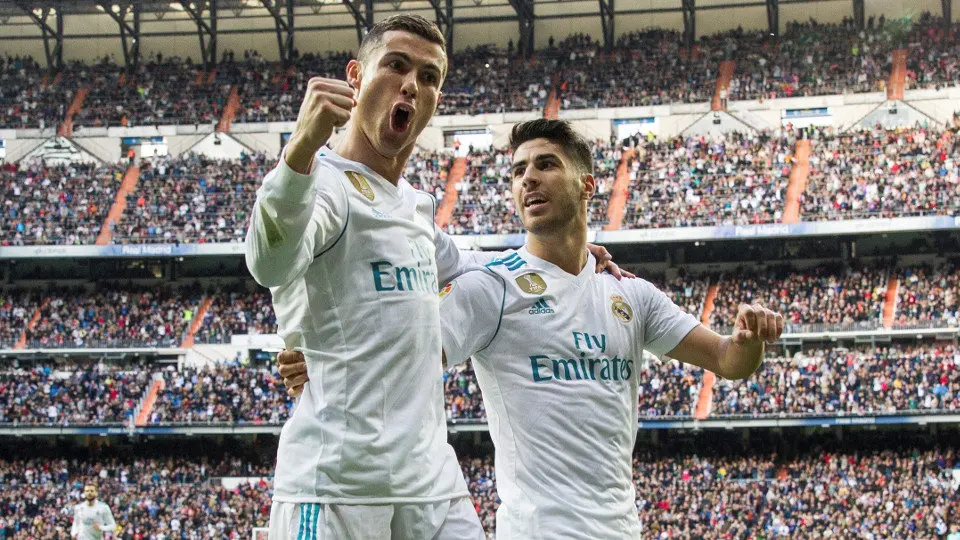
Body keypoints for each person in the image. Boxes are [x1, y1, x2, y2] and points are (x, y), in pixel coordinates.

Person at [280, 119, 785, 538]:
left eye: (546, 165)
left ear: (587, 185)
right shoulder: (491, 289)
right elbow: (404, 355)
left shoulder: (631, 294)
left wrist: (749, 340)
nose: (528, 179)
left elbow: (726, 361)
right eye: (519, 170)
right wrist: (326, 358)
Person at [246, 16, 623, 540]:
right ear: (355, 77)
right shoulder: (323, 184)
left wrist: (567, 260)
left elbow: (485, 274)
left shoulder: (414, 209)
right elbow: (269, 262)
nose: (411, 85)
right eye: (396, 65)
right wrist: (300, 152)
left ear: (433, 103)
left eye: (428, 77)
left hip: (430, 484)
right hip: (337, 486)